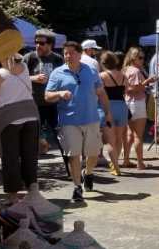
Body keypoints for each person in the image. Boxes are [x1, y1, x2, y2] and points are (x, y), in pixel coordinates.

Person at [45, 41, 113, 202]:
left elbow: (101, 93)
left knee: (94, 153)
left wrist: (108, 113)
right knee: (73, 154)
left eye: (71, 52)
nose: (68, 56)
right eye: (65, 53)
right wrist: (60, 94)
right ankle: (77, 187)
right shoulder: (57, 73)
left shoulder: (90, 70)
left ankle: (88, 173)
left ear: (79, 53)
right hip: (69, 120)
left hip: (91, 118)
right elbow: (47, 96)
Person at [0, 54, 39, 202]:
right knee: (29, 155)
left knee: (10, 157)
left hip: (10, 117)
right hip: (31, 114)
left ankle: (12, 195)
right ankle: (33, 189)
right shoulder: (24, 67)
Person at [23, 30, 63, 153]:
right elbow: (17, 77)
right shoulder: (29, 57)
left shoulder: (58, 59)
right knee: (35, 137)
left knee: (61, 134)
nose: (38, 45)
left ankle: (69, 164)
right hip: (35, 104)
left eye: (41, 43)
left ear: (50, 44)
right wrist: (33, 78)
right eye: (36, 42)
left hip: (54, 104)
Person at [99, 51, 129, 175]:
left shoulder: (101, 76)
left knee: (110, 141)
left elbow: (98, 93)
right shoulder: (123, 76)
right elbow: (126, 91)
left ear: (103, 63)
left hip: (108, 107)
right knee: (119, 139)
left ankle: (115, 167)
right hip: (122, 107)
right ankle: (116, 163)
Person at [122, 47, 150, 170]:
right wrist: (147, 81)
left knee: (129, 134)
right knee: (138, 135)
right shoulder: (136, 71)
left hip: (127, 103)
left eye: (143, 58)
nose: (142, 60)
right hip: (137, 103)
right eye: (140, 58)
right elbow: (133, 89)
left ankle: (126, 160)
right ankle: (140, 162)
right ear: (133, 58)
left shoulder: (125, 70)